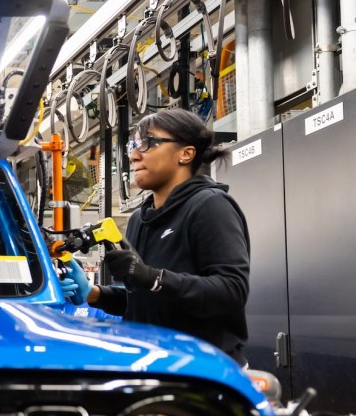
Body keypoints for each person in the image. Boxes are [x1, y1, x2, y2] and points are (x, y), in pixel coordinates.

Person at [64, 108, 251, 364]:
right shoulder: (140, 220)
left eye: (148, 143)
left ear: (186, 154)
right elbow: (146, 303)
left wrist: (153, 277)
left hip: (203, 368)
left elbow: (231, 292)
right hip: (154, 363)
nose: (133, 154)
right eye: (133, 144)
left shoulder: (210, 206)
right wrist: (94, 294)